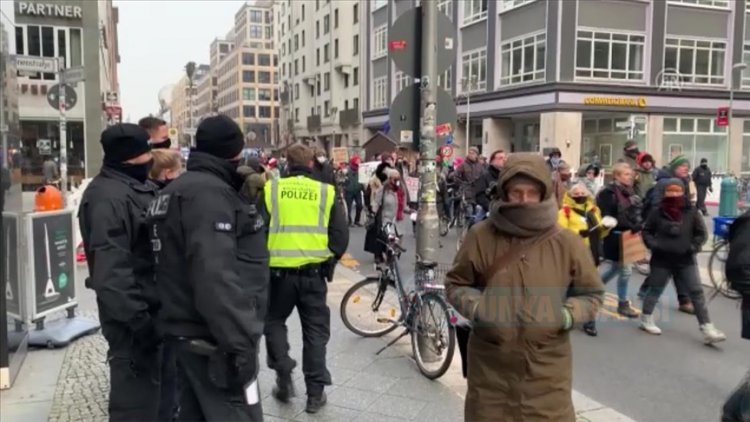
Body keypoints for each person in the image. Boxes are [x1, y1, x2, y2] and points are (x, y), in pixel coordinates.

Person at [445, 153, 604, 421]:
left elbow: (592, 294)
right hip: (490, 371)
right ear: (504, 192)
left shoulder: (566, 242)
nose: (524, 200)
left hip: (546, 373)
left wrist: (565, 315)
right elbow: (456, 283)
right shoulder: (481, 235)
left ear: (543, 193)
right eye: (516, 192)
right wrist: (481, 308)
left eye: (532, 192)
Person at [149, 115, 268, 420]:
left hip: (186, 331)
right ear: (234, 151)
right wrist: (239, 341)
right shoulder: (209, 195)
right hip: (214, 340)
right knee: (238, 413)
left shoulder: (176, 190)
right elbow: (214, 275)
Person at [78, 123, 160, 421]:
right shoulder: (107, 198)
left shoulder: (136, 186)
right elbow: (111, 271)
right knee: (134, 404)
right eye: (146, 152)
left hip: (152, 308)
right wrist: (140, 322)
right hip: (134, 321)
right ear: (131, 157)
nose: (151, 157)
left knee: (156, 399)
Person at [264, 144, 349, 414]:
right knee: (315, 334)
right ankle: (315, 394)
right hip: (314, 276)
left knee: (274, 322)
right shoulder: (326, 191)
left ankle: (283, 370)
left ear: (287, 163)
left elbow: (257, 229)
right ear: (312, 163)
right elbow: (340, 237)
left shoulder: (272, 190)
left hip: (278, 276)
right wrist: (329, 260)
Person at [640, 179, 726, 343]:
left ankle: (707, 327)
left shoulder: (691, 211)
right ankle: (646, 318)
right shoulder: (657, 211)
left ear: (683, 192)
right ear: (664, 193)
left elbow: (701, 234)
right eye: (670, 191)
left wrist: (692, 247)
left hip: (685, 259)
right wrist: (654, 245)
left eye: (677, 191)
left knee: (696, 292)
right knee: (655, 289)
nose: (673, 194)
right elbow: (647, 231)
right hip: (661, 259)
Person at [638, 155, 694, 313]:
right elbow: (656, 205)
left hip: (680, 230)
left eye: (687, 166)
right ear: (675, 167)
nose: (686, 168)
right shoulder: (663, 183)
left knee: (670, 265)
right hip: (664, 230)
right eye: (683, 165)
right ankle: (683, 300)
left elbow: (687, 206)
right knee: (669, 265)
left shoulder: (684, 181)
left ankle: (682, 299)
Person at [559, 183, 615, 336]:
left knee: (590, 288)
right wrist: (578, 233)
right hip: (573, 255)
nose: (579, 195)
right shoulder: (565, 211)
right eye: (576, 193)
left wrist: (605, 228)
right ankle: (566, 314)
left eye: (582, 192)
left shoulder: (594, 210)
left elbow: (599, 233)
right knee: (571, 287)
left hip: (592, 254)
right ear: (570, 195)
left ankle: (589, 321)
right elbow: (560, 233)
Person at [596, 163, 642, 319]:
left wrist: (638, 223)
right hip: (615, 235)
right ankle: (622, 303)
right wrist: (631, 225)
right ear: (616, 176)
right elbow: (608, 216)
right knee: (625, 271)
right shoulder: (608, 193)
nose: (630, 177)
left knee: (617, 268)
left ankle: (593, 286)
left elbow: (636, 211)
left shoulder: (630, 192)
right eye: (626, 174)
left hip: (629, 234)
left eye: (631, 174)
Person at [474, 149, 505, 216]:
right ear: (492, 161)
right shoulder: (485, 175)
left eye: (504, 158)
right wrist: (491, 207)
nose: (503, 160)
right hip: (488, 212)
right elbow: (480, 196)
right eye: (500, 158)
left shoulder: (506, 175)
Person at [344, 156, 364, 226]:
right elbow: (343, 179)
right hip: (349, 191)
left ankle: (357, 220)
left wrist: (362, 187)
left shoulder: (361, 169)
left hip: (357, 190)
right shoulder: (347, 170)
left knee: (360, 205)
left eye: (359, 160)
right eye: (357, 160)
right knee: (348, 207)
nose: (359, 162)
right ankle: (349, 221)